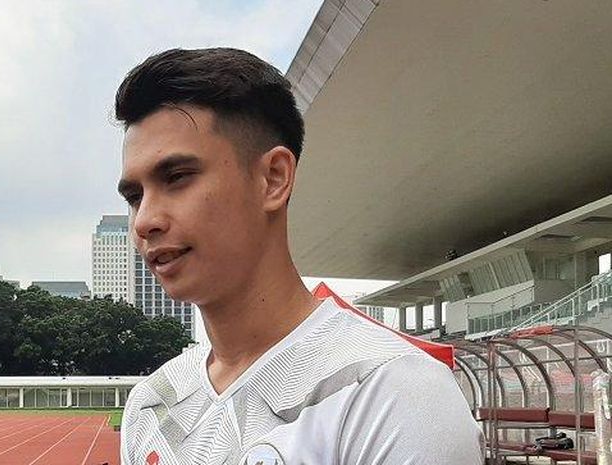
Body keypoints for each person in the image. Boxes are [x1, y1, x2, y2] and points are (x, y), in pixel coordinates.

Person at [115, 47, 483, 465]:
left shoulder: (390, 391)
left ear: (273, 178)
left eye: (177, 178)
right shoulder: (151, 405)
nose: (145, 220)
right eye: (134, 196)